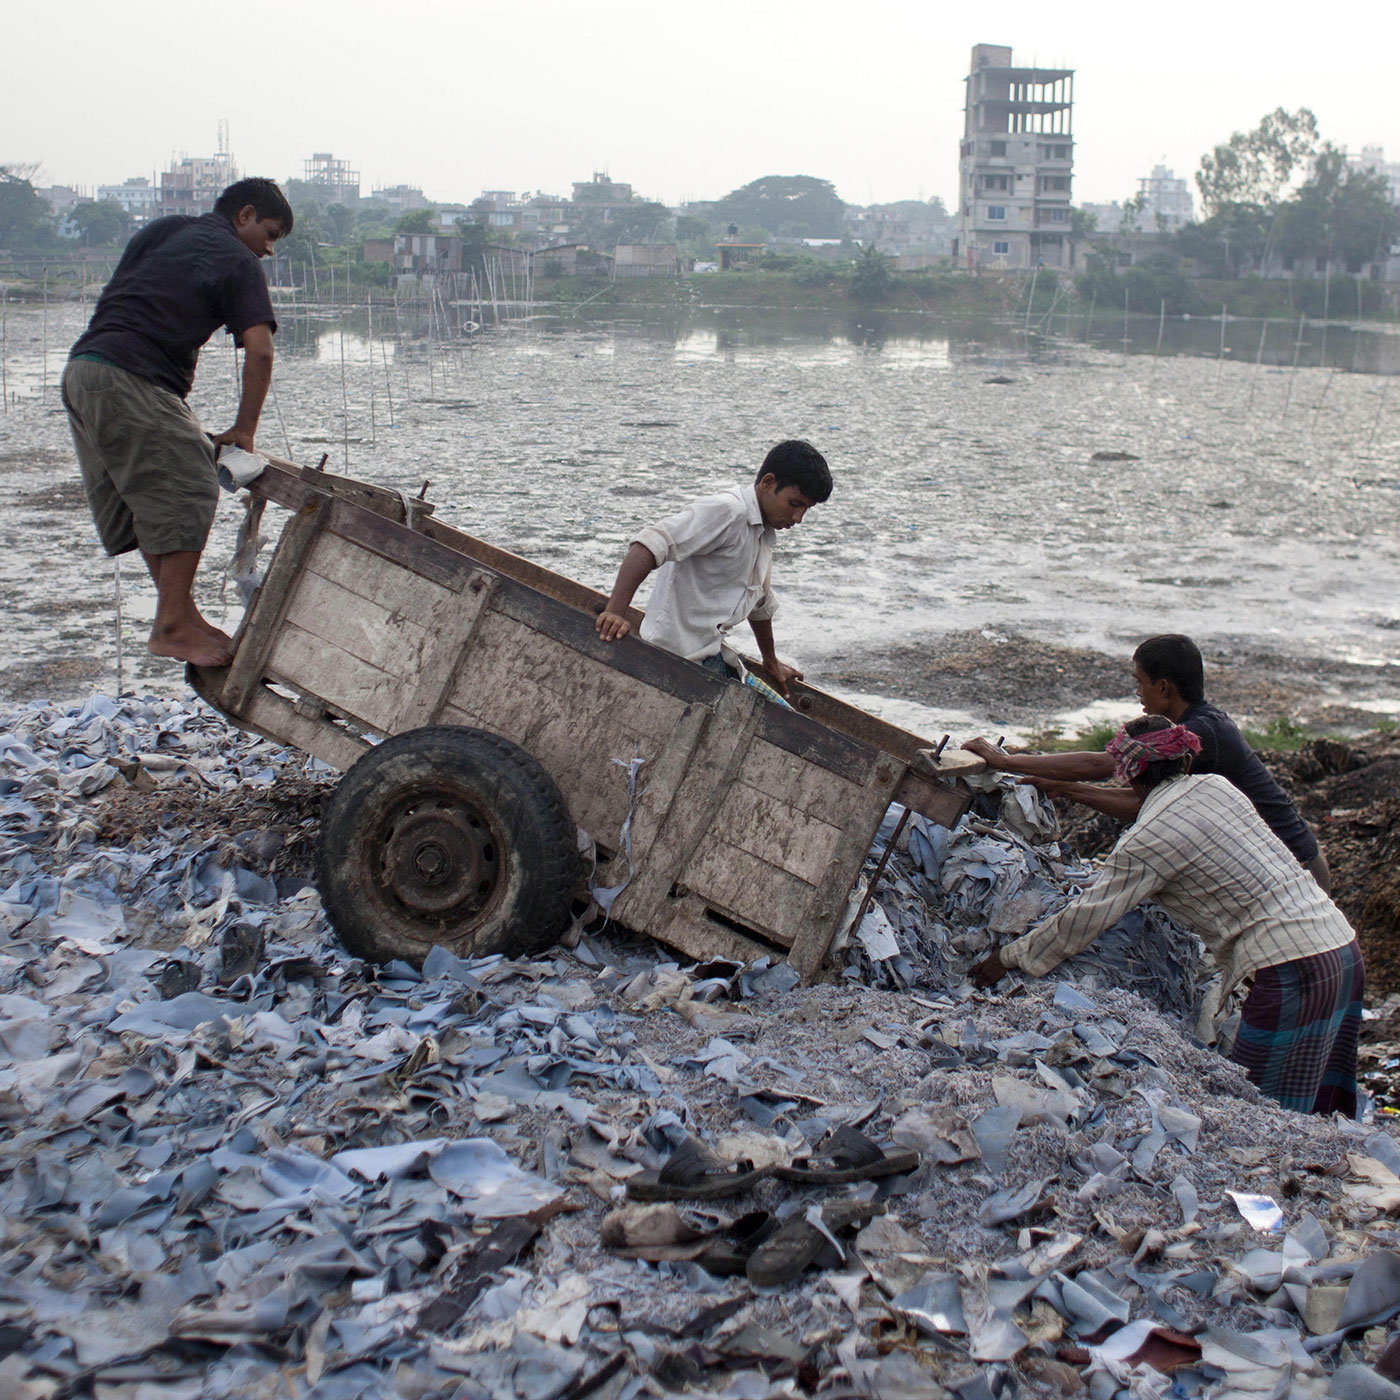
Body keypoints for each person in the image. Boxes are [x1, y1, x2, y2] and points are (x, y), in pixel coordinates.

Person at [969, 715, 1364, 1118]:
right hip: (1343, 948)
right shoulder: (1218, 787)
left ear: (1128, 773)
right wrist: (1068, 788)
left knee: (1260, 1113)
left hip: (1291, 968)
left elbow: (1084, 918)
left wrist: (1010, 957)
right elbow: (1152, 809)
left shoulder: (1146, 843)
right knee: (1322, 1106)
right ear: (1185, 762)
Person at [61, 177, 293, 670]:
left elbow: (124, 294)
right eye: (270, 234)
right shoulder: (238, 259)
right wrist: (244, 430)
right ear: (245, 215)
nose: (269, 249)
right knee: (188, 484)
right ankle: (170, 624)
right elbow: (261, 349)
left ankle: (181, 615)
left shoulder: (164, 230)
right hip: (131, 377)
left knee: (149, 500)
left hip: (84, 371)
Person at [963, 634, 1329, 891]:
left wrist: (1005, 760)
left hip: (1294, 869)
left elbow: (1099, 764)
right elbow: (1144, 806)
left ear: (1164, 687)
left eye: (1141, 683)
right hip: (1278, 865)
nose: (1138, 692)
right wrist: (1064, 789)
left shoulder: (1193, 735)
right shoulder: (1197, 726)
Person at [594, 440, 831, 697]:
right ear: (768, 483)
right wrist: (616, 612)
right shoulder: (728, 511)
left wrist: (770, 660)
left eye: (806, 509)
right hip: (671, 660)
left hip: (708, 656)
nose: (798, 518)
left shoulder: (763, 532)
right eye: (795, 504)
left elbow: (759, 601)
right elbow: (649, 545)